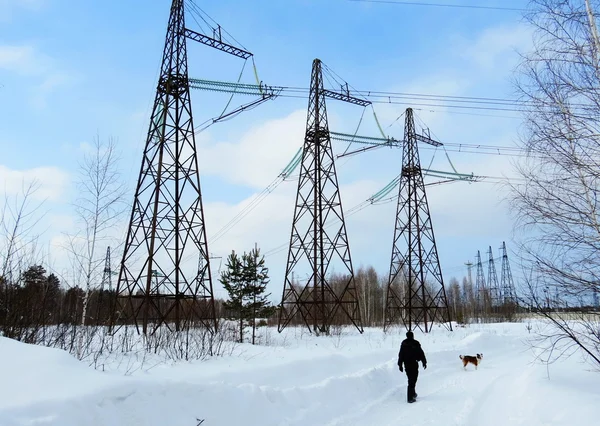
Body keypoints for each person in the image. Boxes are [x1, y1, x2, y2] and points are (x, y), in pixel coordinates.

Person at [397, 330, 427, 403]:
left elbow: (400, 355)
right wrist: (424, 362)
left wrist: (400, 364)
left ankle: (413, 393)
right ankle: (410, 398)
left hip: (408, 364)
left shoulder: (405, 344)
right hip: (413, 363)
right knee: (412, 379)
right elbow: (421, 353)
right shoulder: (413, 343)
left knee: (411, 379)